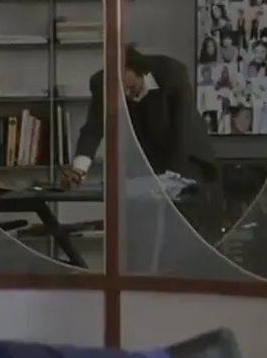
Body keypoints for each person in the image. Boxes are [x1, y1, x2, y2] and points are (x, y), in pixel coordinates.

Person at [62, 45, 223, 236]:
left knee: (181, 223)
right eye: (121, 91)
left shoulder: (172, 73)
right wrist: (79, 169)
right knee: (140, 224)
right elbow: (93, 128)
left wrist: (171, 179)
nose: (126, 95)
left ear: (141, 73)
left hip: (187, 155)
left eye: (131, 88)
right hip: (145, 153)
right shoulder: (100, 83)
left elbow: (183, 130)